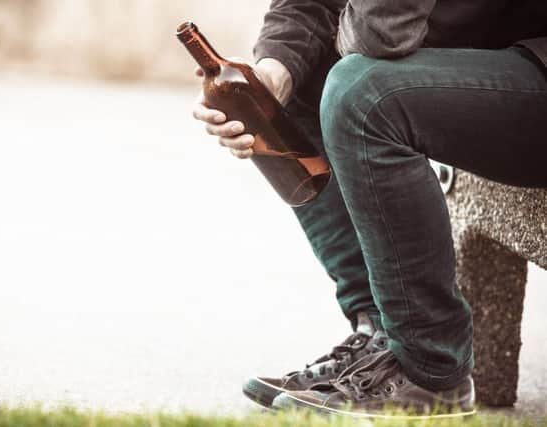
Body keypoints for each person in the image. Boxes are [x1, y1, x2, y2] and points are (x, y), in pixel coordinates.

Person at [192, 0, 547, 417]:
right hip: (498, 56)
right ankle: (381, 338)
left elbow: (382, 33)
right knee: (286, 85)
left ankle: (431, 370)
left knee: (360, 92)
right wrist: (272, 73)